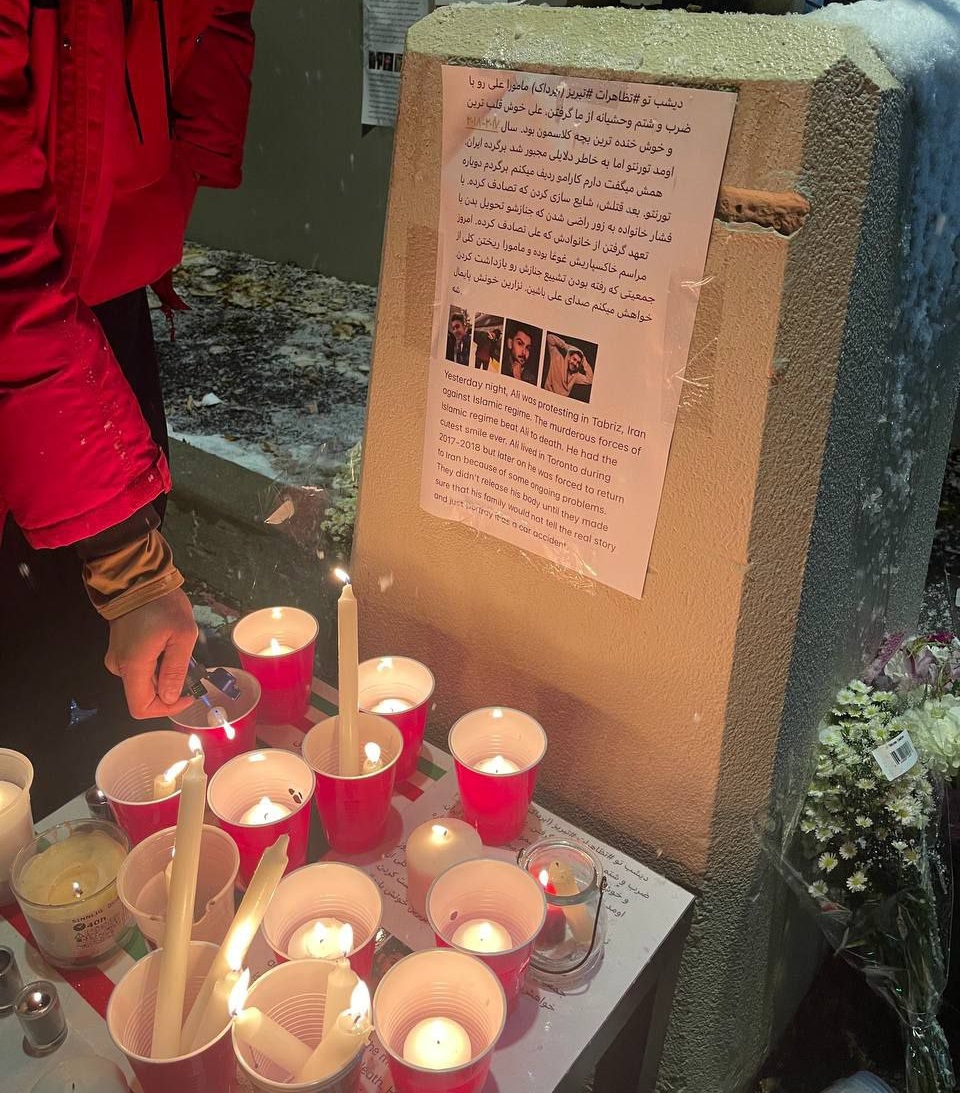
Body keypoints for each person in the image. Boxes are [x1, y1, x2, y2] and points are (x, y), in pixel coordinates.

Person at [1, 0, 256, 729]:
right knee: (32, 647)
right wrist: (128, 563)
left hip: (103, 270)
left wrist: (174, 171)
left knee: (105, 648)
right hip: (35, 290)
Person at [543, 334, 595, 399]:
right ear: (569, 357)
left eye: (578, 362)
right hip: (547, 396)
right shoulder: (557, 359)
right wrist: (566, 347)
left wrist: (584, 360)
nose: (575, 363)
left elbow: (590, 380)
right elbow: (549, 338)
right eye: (574, 359)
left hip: (561, 402)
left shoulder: (575, 376)